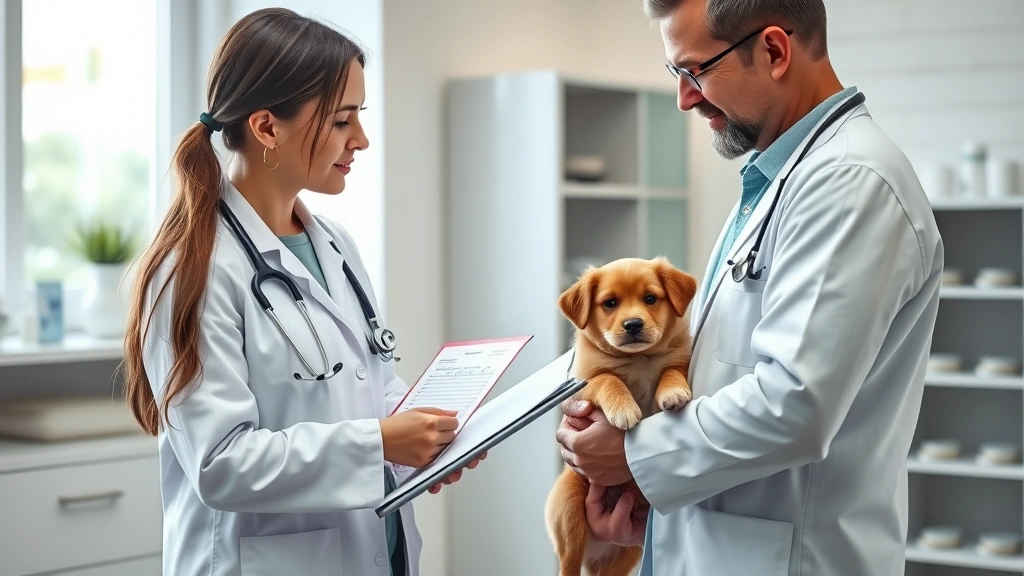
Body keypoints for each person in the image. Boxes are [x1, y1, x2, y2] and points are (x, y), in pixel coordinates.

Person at [556, 0, 944, 574]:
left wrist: (632, 454)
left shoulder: (849, 183)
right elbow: (724, 376)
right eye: (677, 76)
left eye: (695, 71)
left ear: (774, 51)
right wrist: (635, 470)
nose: (685, 98)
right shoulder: (779, 180)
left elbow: (794, 402)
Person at [121, 8, 481, 576]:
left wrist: (428, 438)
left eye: (360, 116)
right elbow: (222, 463)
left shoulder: (335, 244)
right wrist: (380, 444)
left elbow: (370, 385)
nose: (361, 139)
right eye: (342, 120)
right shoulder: (193, 268)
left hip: (375, 548)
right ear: (267, 128)